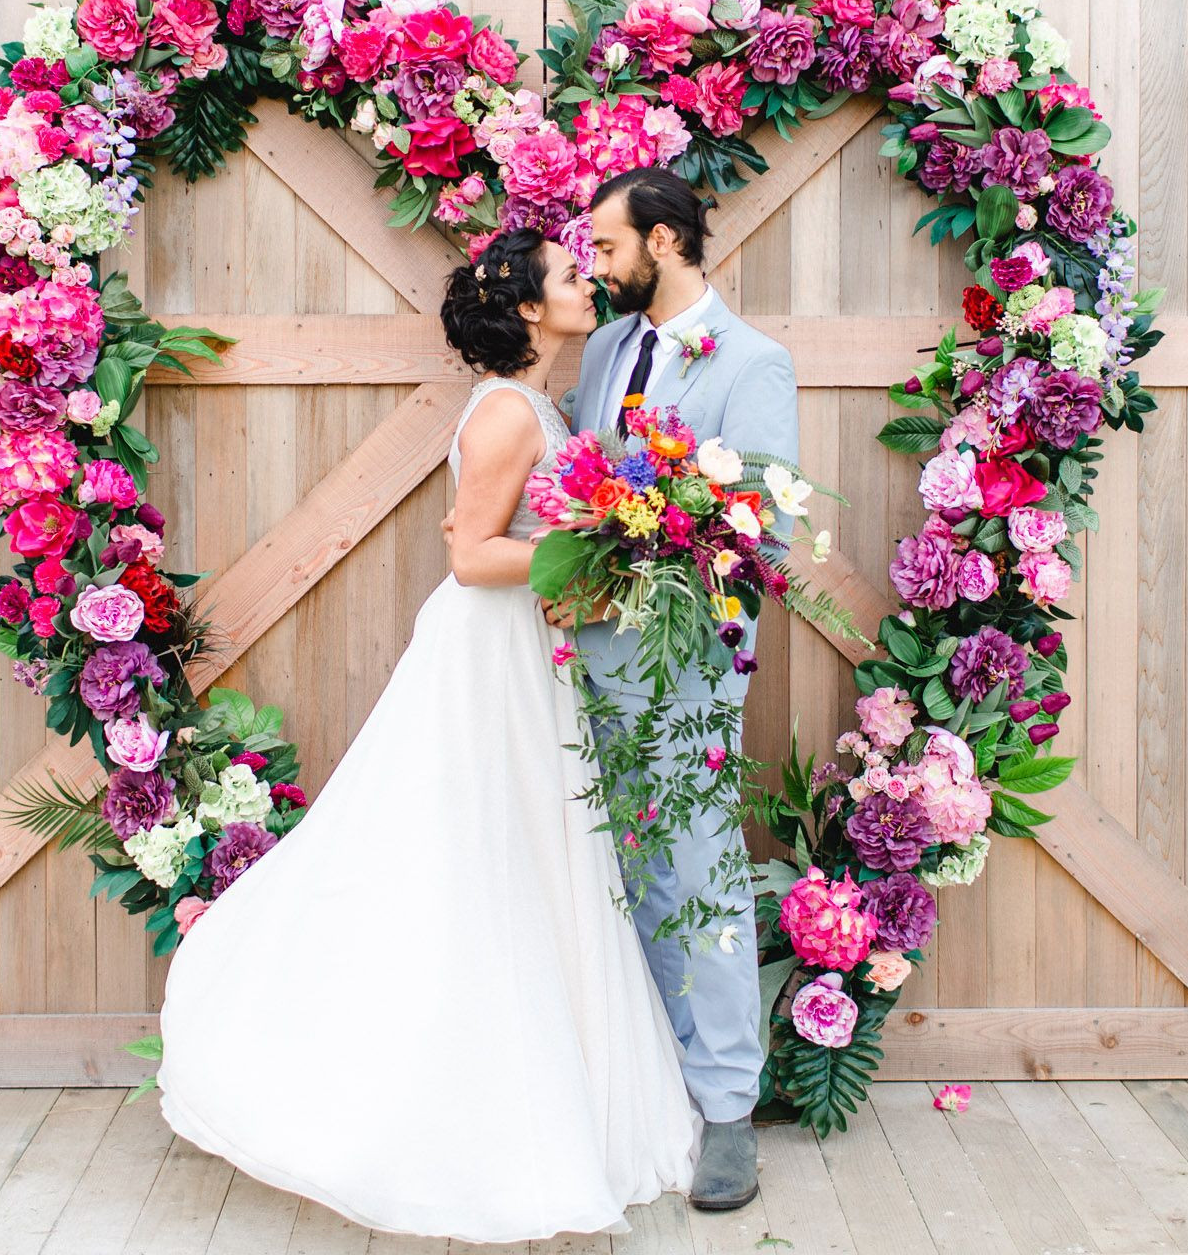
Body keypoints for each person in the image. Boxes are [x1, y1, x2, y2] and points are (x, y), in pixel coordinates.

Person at [155, 227, 703, 1244]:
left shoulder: (537, 402)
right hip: (482, 656)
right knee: (470, 856)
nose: (589, 284)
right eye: (573, 277)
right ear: (533, 309)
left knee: (531, 857)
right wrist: (600, 557)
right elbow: (471, 554)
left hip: (524, 658)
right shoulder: (506, 414)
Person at [553, 165, 799, 1212]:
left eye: (607, 247)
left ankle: (730, 1109)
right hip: (589, 667)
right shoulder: (606, 351)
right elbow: (576, 483)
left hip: (686, 666)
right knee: (617, 875)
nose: (594, 266)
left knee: (698, 879)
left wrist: (643, 593)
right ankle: (651, 1083)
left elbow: (761, 532)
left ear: (662, 241)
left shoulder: (753, 363)